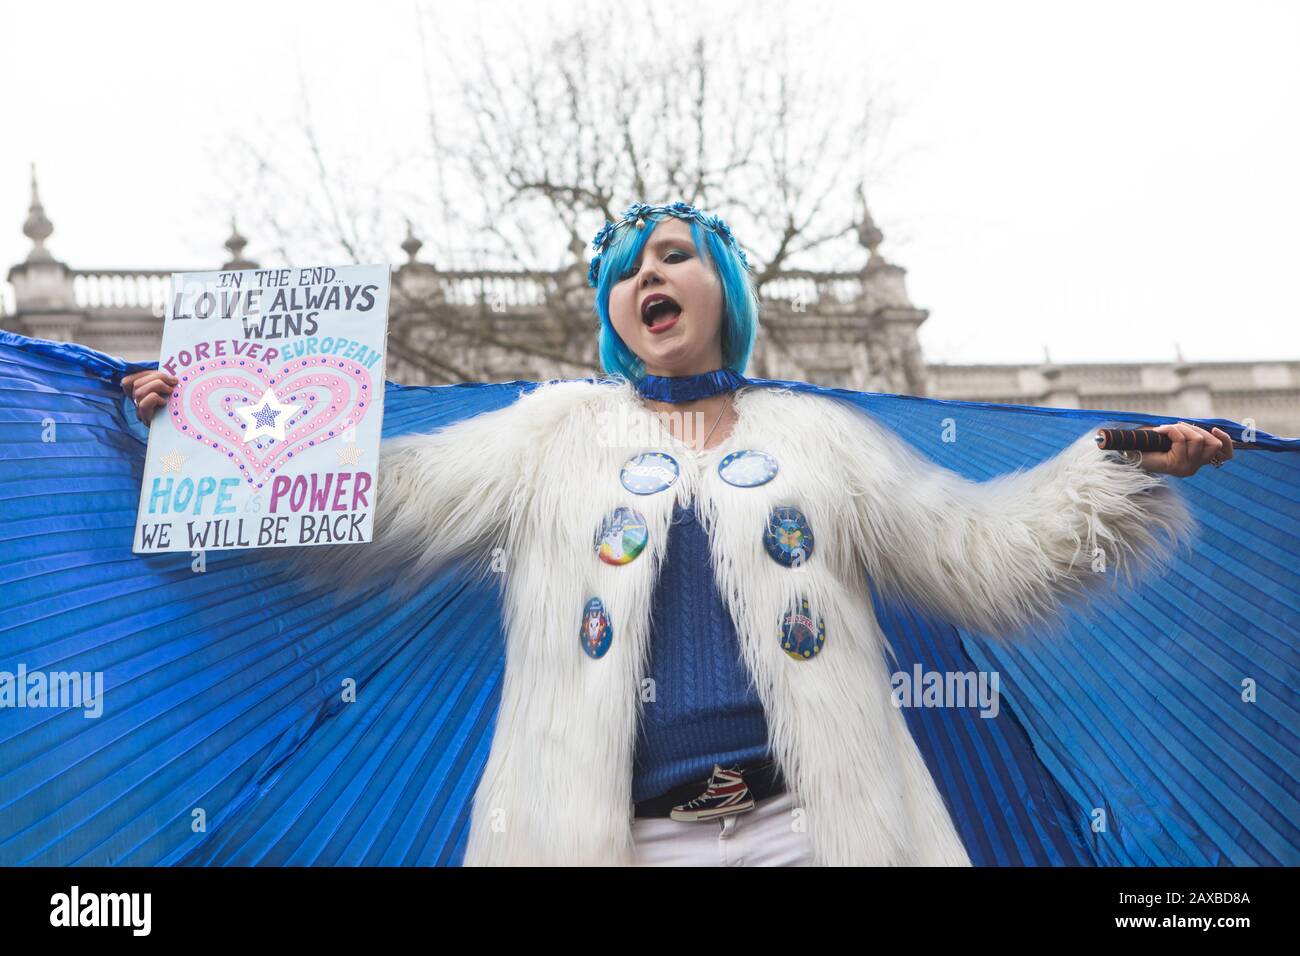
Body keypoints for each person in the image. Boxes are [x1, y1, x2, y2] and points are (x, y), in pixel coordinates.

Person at [100, 201, 1260, 868]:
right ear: (612, 314)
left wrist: (1107, 471)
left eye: (671, 254)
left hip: (812, 830)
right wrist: (202, 429)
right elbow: (379, 496)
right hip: (615, 842)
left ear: (721, 290)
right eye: (620, 270)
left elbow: (977, 552)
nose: (643, 276)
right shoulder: (547, 433)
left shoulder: (820, 433)